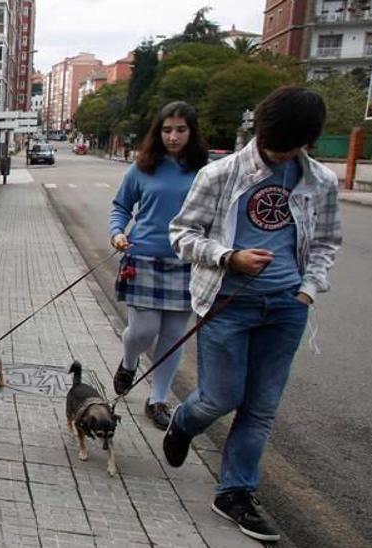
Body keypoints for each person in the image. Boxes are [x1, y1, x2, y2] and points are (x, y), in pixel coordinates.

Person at [165, 87, 342, 542]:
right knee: (219, 397)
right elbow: (181, 235)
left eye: (293, 147)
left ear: (307, 142)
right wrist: (229, 257)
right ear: (260, 131)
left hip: (286, 308)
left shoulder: (320, 181)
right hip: (228, 304)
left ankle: (235, 493)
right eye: (275, 145)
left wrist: (306, 291)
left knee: (261, 408)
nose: (281, 155)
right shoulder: (220, 174)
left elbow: (325, 243)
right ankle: (183, 421)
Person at [110, 102, 209, 430]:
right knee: (143, 330)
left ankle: (158, 400)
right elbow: (121, 206)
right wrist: (117, 233)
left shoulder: (205, 172)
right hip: (143, 257)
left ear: (192, 132)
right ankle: (129, 362)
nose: (173, 136)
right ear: (158, 131)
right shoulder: (142, 167)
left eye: (181, 130)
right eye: (167, 129)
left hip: (187, 262)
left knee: (173, 335)